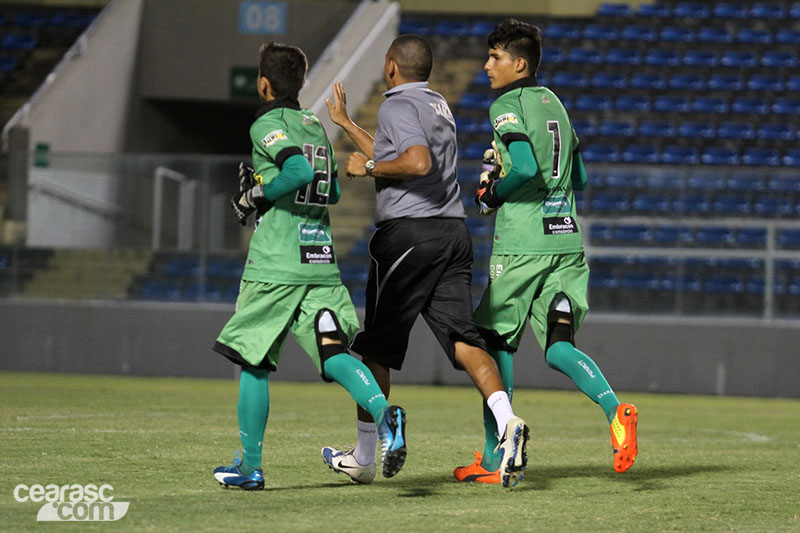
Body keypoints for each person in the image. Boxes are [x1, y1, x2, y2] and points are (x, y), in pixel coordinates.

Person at [322, 34, 529, 489]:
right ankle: (508, 420)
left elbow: (415, 163)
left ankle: (364, 455)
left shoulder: (397, 104)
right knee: (463, 339)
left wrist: (369, 169)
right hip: (451, 234)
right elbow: (411, 152)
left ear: (392, 67)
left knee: (376, 347)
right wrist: (348, 125)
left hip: (409, 236)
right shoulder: (436, 103)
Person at [212, 41, 407, 490]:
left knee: (253, 360)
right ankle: (383, 414)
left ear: (263, 84)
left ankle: (250, 466)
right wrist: (273, 184)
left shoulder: (267, 124)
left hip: (277, 265)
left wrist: (258, 195)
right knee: (334, 352)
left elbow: (297, 173)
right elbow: (331, 193)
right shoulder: (314, 125)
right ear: (300, 83)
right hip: (319, 260)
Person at [454, 19, 638, 484]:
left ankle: (496, 460)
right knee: (558, 346)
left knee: (493, 345)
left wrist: (493, 192)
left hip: (522, 247)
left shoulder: (506, 105)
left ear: (519, 63)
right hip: (566, 241)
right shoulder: (555, 102)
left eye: (495, 57)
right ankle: (616, 412)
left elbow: (528, 166)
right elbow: (579, 179)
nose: (486, 65)